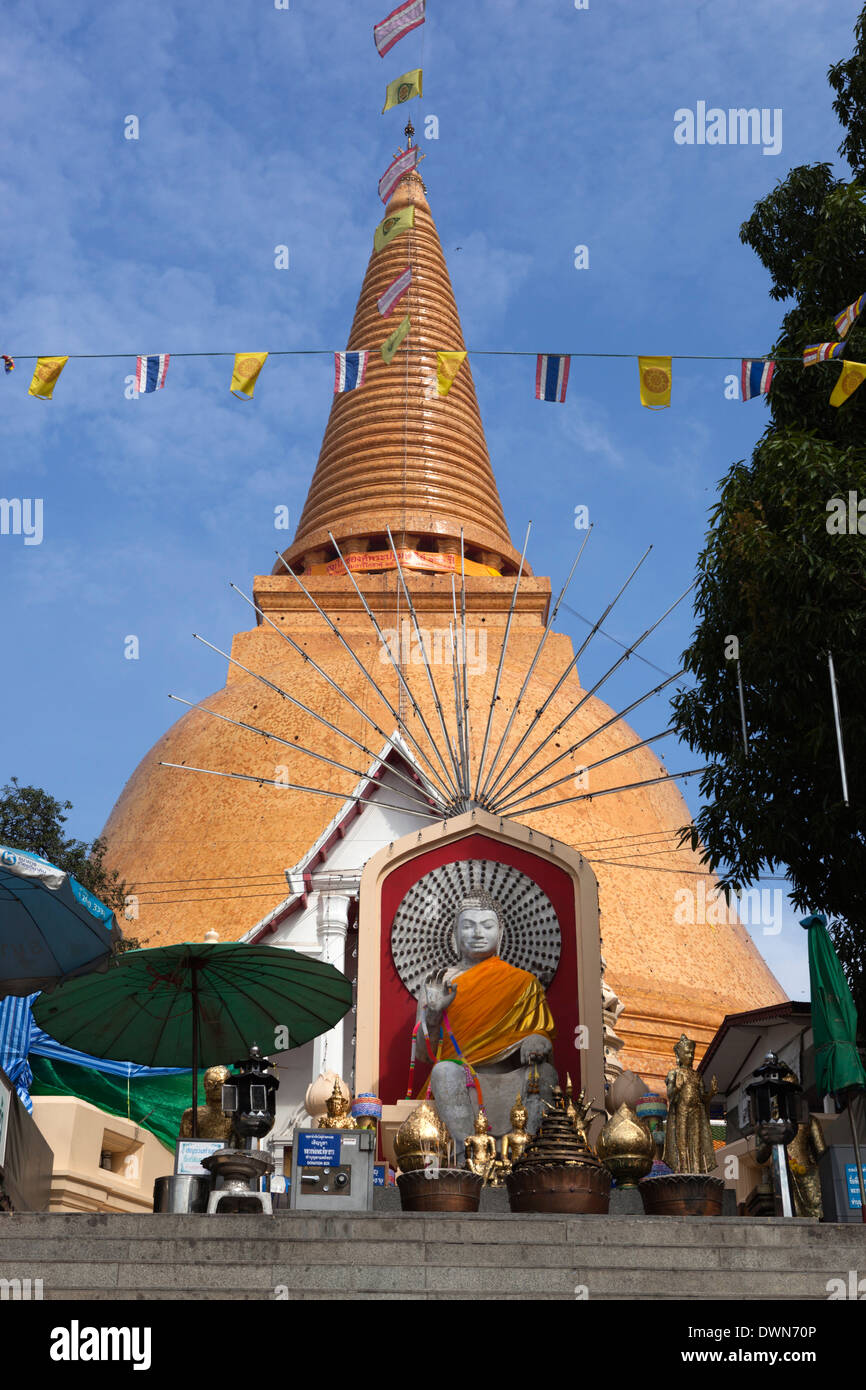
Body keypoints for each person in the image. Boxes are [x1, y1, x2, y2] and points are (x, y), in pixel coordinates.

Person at [413, 892, 557, 1146]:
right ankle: (465, 1153)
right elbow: (424, 1056)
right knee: (443, 1070)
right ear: (455, 934)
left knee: (544, 1072)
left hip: (512, 1077)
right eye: (468, 926)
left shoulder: (524, 983)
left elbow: (543, 1040)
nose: (478, 933)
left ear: (500, 933)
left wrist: (538, 1039)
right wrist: (433, 1016)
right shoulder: (437, 984)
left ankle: (526, 1154)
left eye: (487, 926)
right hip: (460, 1078)